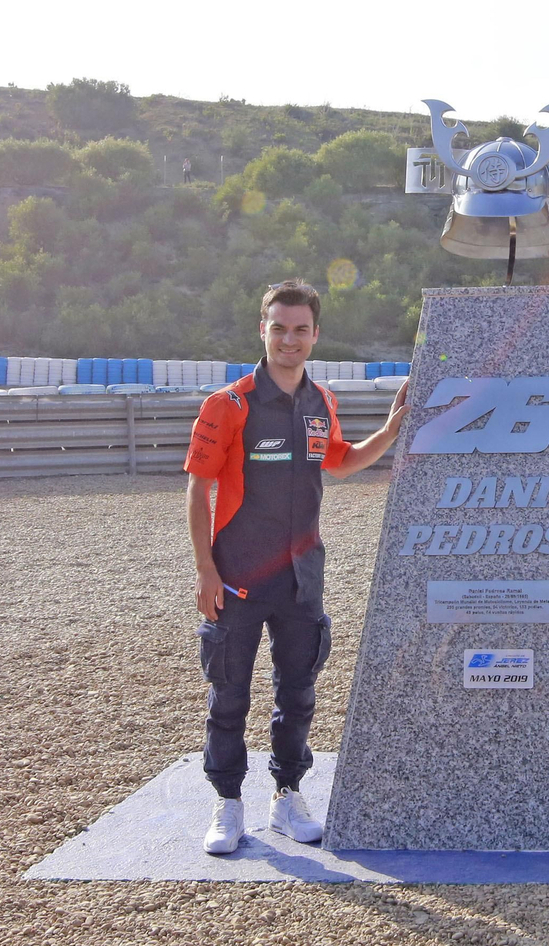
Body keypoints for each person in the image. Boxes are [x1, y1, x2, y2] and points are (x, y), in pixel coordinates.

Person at [187, 280, 410, 855]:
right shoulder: (228, 404)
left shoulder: (321, 401)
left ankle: (287, 797)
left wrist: (390, 430)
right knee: (229, 696)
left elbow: (341, 463)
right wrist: (206, 569)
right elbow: (199, 489)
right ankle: (227, 803)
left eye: (301, 330)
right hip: (235, 579)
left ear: (316, 335)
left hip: (301, 579)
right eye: (279, 328)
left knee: (299, 694)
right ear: (262, 330)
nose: (290, 339)